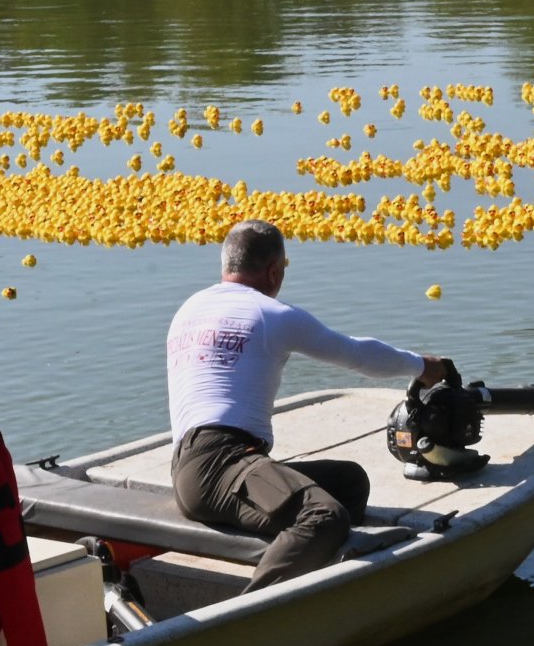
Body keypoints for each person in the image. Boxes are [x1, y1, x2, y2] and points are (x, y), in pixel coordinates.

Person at [166, 220, 448, 594]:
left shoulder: (191, 307)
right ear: (273, 270)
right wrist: (424, 366)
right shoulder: (273, 315)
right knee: (324, 516)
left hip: (190, 468)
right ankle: (248, 619)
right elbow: (358, 355)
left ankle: (322, 577)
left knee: (348, 483)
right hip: (223, 462)